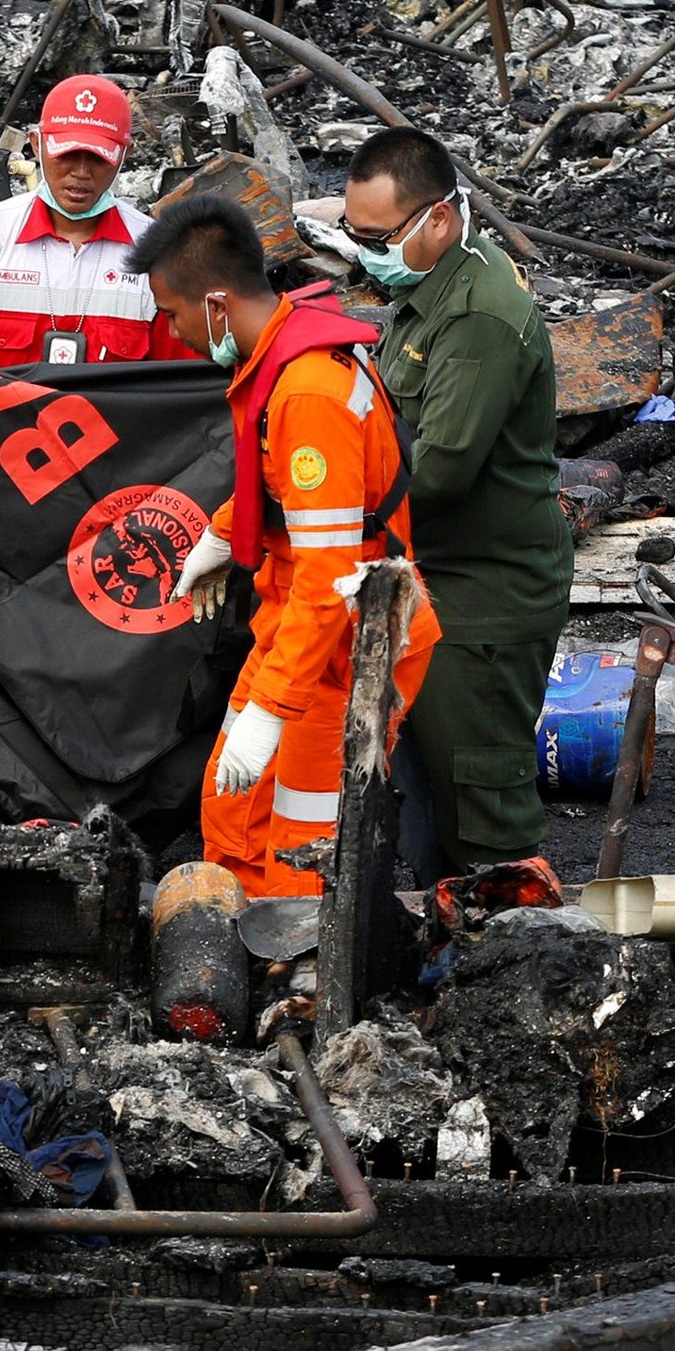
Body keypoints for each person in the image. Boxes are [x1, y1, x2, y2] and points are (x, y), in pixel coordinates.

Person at [136, 194, 438, 900]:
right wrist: (223, 529)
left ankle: (299, 987)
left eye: (172, 313)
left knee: (305, 850)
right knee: (234, 812)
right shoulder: (288, 351)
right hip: (303, 635)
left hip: (344, 652)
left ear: (215, 304)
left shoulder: (307, 392)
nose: (172, 332)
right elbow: (298, 492)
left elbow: (332, 576)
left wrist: (272, 708)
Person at [336, 129, 570, 877]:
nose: (362, 252)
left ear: (437, 217)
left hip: (484, 590)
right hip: (438, 569)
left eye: (376, 237)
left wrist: (330, 510)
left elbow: (435, 470)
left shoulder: (475, 316)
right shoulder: (429, 288)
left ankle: (520, 953)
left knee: (481, 800)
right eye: (352, 233)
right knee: (426, 789)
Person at [0, 72, 183, 367]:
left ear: (125, 154)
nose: (81, 172)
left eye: (99, 158)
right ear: (37, 145)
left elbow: (174, 381)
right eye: (67, 154)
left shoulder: (159, 252)